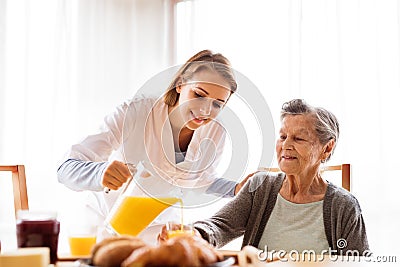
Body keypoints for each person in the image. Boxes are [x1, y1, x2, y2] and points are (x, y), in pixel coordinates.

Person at [57, 50, 249, 242]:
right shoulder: (135, 112)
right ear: (180, 84)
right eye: (199, 95)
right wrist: (99, 173)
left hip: (160, 234)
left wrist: (235, 188)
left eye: (217, 104)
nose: (205, 111)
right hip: (107, 228)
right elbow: (65, 168)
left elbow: (200, 180)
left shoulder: (215, 131)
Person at [159, 99, 369, 255]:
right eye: (283, 136)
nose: (286, 145)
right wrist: (193, 234)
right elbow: (220, 226)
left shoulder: (344, 206)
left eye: (298, 138)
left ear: (327, 147)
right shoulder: (260, 186)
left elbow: (360, 262)